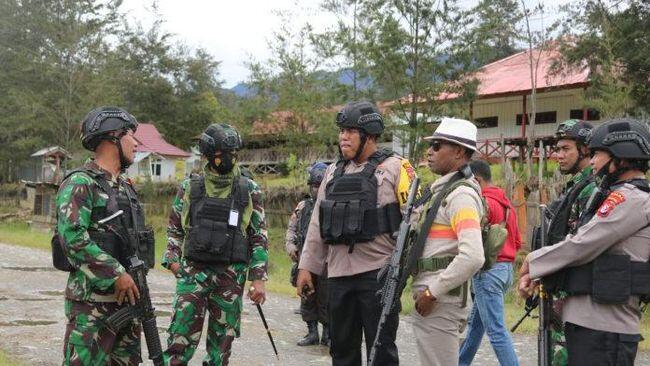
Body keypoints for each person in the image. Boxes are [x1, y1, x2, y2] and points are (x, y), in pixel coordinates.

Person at [519, 118, 650, 365]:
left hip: (604, 329)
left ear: (620, 157)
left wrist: (533, 261)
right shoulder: (622, 196)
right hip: (594, 325)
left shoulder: (630, 199)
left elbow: (582, 244)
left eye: (597, 154)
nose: (592, 161)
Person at [296, 101, 417, 366]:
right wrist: (307, 267)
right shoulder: (331, 173)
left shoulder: (398, 168)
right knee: (341, 352)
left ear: (369, 136)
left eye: (350, 131)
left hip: (378, 276)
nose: (343, 137)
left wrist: (405, 272)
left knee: (382, 352)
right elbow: (317, 224)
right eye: (341, 131)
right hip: (338, 277)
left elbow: (414, 221)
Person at [161, 123, 269, 366]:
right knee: (178, 342)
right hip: (193, 276)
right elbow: (175, 230)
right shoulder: (190, 187)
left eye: (232, 153)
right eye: (223, 154)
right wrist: (174, 262)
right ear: (209, 155)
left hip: (230, 278)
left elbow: (258, 235)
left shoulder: (248, 189)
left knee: (221, 350)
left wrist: (258, 277)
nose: (229, 159)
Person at [56, 106, 153, 365]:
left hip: (128, 303)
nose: (136, 143)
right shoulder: (80, 183)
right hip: (92, 307)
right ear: (113, 138)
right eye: (130, 135)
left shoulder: (125, 188)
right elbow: (73, 239)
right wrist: (116, 274)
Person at [410, 117, 485, 366]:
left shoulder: (461, 195)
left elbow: (473, 256)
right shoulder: (444, 191)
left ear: (459, 152)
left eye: (437, 145)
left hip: (441, 301)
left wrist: (433, 292)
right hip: (437, 299)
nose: (429, 152)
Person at [537, 119, 596, 365]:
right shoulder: (574, 187)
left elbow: (579, 244)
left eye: (566, 149)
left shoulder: (591, 188)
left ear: (585, 150)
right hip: (560, 289)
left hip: (575, 293)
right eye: (557, 149)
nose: (558, 155)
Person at [459, 159, 521, 366]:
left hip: (489, 272)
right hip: (506, 271)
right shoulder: (507, 204)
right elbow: (518, 241)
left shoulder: (483, 203)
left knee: (496, 331)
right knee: (476, 327)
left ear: (476, 180)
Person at [285, 162, 330, 346]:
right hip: (305, 260)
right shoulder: (302, 206)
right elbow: (291, 229)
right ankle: (312, 332)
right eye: (314, 186)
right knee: (307, 298)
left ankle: (328, 334)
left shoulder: (331, 205)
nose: (316, 189)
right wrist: (291, 247)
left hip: (327, 262)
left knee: (327, 298)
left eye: (320, 186)